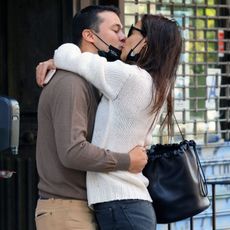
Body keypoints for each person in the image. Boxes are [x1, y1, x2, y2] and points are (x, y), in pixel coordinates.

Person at [37, 14, 182, 230]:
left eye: (132, 31)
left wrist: (55, 60)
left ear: (147, 42)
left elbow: (67, 54)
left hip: (122, 203)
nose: (124, 38)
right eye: (118, 30)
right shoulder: (153, 82)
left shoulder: (129, 77)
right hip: (124, 204)